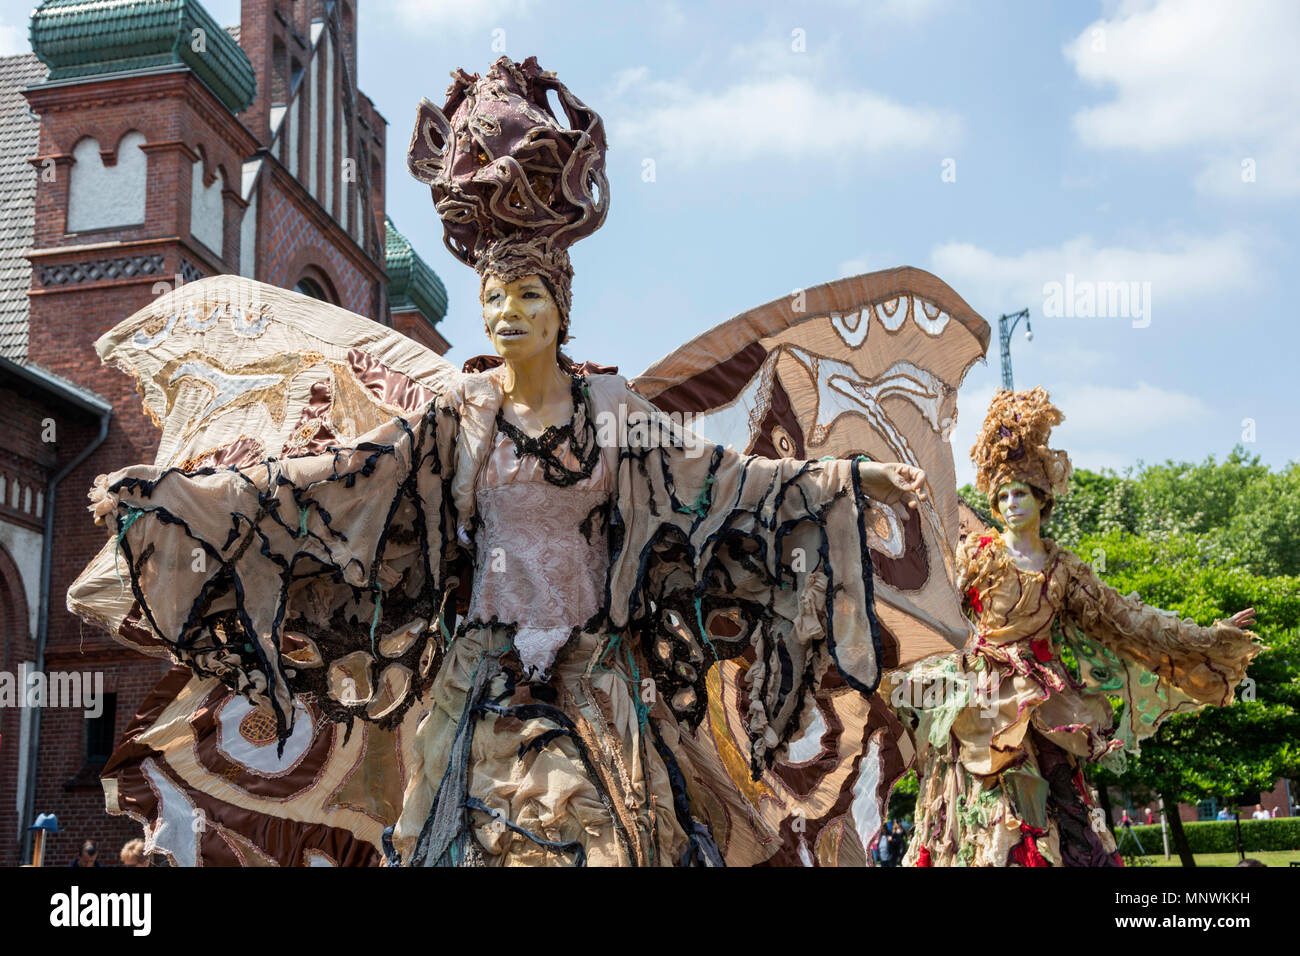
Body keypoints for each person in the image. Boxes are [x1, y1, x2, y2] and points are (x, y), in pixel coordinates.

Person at [81, 56, 931, 868]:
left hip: (595, 685)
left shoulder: (610, 409)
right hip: (481, 686)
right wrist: (186, 498)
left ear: (560, 311)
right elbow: (341, 480)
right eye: (494, 298)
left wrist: (850, 480)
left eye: (527, 296)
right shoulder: (463, 413)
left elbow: (721, 480)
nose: (507, 313)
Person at [900, 388, 1259, 867]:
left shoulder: (1064, 570)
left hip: (1048, 707)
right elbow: (928, 600)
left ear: (1041, 499)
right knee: (986, 814)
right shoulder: (977, 557)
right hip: (983, 705)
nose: (1010, 503)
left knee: (1062, 812)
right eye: (1003, 495)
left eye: (1020, 493)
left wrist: (1208, 637)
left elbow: (1127, 621)